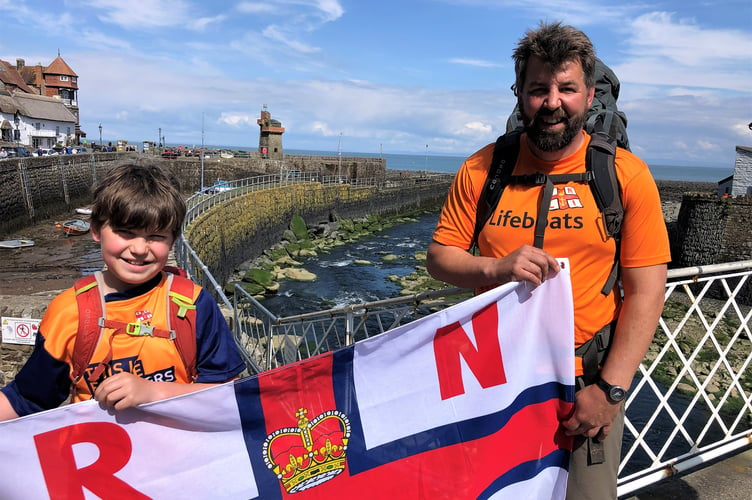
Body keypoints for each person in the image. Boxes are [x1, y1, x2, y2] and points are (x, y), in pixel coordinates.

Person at [426, 21, 670, 499]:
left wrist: (611, 392)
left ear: (589, 92)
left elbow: (646, 292)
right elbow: (440, 257)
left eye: (566, 88)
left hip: (586, 385)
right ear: (519, 93)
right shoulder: (482, 168)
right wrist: (493, 267)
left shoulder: (624, 175)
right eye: (539, 89)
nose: (552, 103)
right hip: (493, 381)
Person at [0, 160, 246, 420]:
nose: (140, 249)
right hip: (101, 454)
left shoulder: (193, 304)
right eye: (126, 233)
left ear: (173, 239)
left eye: (156, 236)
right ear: (96, 230)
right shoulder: (69, 312)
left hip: (183, 455)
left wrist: (152, 393)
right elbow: (27, 398)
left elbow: (227, 394)